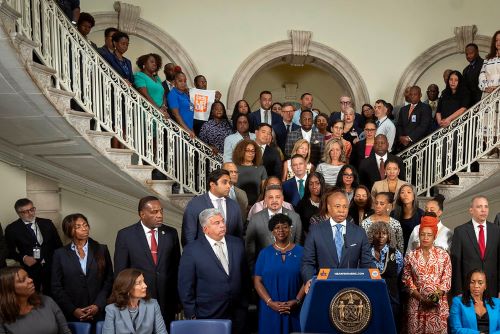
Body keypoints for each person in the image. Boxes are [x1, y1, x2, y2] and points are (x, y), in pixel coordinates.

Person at [178, 208, 249, 334]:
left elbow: (245, 275)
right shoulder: (191, 251)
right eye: (217, 223)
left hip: (238, 313)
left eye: (222, 221)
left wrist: (244, 303)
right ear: (205, 229)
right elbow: (185, 285)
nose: (222, 225)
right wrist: (191, 313)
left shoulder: (237, 243)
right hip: (208, 313)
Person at [114, 196, 180, 326]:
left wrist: (178, 299)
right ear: (142, 214)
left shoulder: (171, 233)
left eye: (161, 211)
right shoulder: (126, 235)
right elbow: (121, 272)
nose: (160, 215)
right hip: (138, 300)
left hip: (167, 300)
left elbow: (177, 267)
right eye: (154, 212)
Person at [51, 213, 113, 324]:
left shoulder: (101, 249)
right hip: (73, 313)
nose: (84, 229)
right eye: (78, 227)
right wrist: (73, 310)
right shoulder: (60, 254)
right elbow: (56, 286)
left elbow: (109, 280)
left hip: (99, 311)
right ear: (68, 230)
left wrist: (98, 305)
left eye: (85, 225)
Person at [301, 189, 374, 284]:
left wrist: (374, 278)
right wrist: (309, 280)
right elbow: (307, 263)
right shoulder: (315, 231)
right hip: (324, 285)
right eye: (337, 206)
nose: (341, 211)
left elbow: (367, 263)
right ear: (329, 207)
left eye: (345, 207)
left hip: (351, 287)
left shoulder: (359, 232)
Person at [254, 214, 305, 334]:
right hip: (270, 309)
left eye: (285, 227)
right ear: (272, 231)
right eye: (277, 227)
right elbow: (257, 281)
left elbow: (307, 280)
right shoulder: (264, 253)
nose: (281, 230)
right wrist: (270, 303)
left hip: (295, 309)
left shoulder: (302, 252)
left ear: (290, 229)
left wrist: (297, 301)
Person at [402, 214, 452, 334]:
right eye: (422, 234)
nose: (425, 237)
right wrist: (421, 298)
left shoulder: (443, 255)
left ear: (434, 236)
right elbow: (406, 279)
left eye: (429, 235)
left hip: (437, 305)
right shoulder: (411, 255)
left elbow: (446, 281)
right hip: (416, 304)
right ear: (419, 235)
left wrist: (433, 298)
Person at [5, 198, 63, 296]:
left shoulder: (47, 223)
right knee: (32, 298)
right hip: (30, 271)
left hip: (51, 267)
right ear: (18, 213)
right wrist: (23, 258)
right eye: (25, 212)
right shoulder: (12, 229)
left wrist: (59, 263)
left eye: (32, 209)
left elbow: (58, 245)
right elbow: (9, 251)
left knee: (53, 295)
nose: (30, 213)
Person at [451, 196, 500, 298]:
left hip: (492, 288)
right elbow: (456, 264)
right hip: (467, 289)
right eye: (479, 207)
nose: (483, 210)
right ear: (471, 210)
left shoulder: (497, 230)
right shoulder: (460, 231)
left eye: (486, 206)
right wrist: (458, 292)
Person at [246, 185, 302, 272]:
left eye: (278, 197)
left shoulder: (295, 217)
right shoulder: (255, 219)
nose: (274, 200)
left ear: (282, 198)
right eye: (270, 197)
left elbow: (299, 245)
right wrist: (253, 272)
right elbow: (250, 248)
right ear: (265, 199)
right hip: (264, 270)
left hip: (291, 270)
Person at [0, 266, 71, 334]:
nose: (30, 280)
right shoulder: (2, 315)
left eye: (28, 276)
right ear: (9, 289)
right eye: (22, 280)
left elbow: (65, 331)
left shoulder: (47, 301)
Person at [182, 169, 243, 245]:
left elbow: (239, 235)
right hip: (203, 254)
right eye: (224, 182)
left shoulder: (234, 205)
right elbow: (188, 235)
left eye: (229, 183)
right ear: (212, 184)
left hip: (228, 254)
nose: (228, 186)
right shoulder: (195, 204)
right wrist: (194, 255)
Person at [102, 268, 167, 334]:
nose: (145, 286)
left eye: (143, 281)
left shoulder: (153, 304)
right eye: (139, 283)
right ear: (127, 287)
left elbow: (162, 332)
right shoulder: (111, 309)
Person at [367, 222, 403, 328]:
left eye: (384, 233)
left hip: (391, 297)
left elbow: (398, 272)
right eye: (377, 233)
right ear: (372, 235)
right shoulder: (366, 253)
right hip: (371, 296)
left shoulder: (396, 254)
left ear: (389, 236)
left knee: (391, 325)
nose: (381, 236)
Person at [449, 269, 500, 334]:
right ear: (468, 284)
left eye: (480, 283)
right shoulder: (458, 302)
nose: (476, 286)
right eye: (472, 282)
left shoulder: (497, 303)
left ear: (485, 286)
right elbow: (456, 329)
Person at [396, 86, 432, 152]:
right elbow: (399, 125)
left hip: (417, 145)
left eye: (415, 94)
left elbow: (423, 126)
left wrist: (409, 138)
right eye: (411, 94)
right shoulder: (403, 109)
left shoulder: (425, 108)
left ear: (420, 95)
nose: (412, 96)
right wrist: (401, 137)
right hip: (403, 145)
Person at [233, 139, 268, 206]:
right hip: (237, 205)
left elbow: (264, 191)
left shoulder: (261, 168)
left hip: (256, 205)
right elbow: (231, 190)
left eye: (253, 151)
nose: (251, 153)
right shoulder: (234, 168)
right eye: (247, 150)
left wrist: (256, 205)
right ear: (241, 151)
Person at [134, 53, 169, 119]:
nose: (154, 64)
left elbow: (163, 94)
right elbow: (145, 95)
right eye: (152, 62)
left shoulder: (157, 78)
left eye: (156, 62)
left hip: (161, 113)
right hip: (147, 112)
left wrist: (163, 106)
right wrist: (158, 109)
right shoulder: (139, 76)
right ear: (144, 63)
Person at [391, 184, 424, 252]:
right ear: (399, 196)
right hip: (396, 250)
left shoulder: (421, 214)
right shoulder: (393, 213)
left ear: (414, 196)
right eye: (402, 192)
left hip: (414, 250)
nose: (405, 195)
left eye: (409, 192)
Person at [296, 172, 325, 236]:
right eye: (311, 184)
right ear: (307, 186)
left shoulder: (327, 202)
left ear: (322, 184)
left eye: (317, 183)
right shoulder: (302, 204)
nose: (314, 186)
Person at [168, 71, 194, 137]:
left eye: (185, 81)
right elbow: (176, 114)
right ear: (174, 82)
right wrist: (187, 130)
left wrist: (191, 129)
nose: (183, 83)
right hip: (181, 132)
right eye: (180, 81)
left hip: (189, 129)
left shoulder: (185, 94)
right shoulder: (173, 94)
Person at [479, 31, 500, 97]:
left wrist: (497, 87)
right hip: (488, 93)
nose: (498, 42)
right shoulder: (488, 59)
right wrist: (486, 87)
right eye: (496, 40)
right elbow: (482, 75)